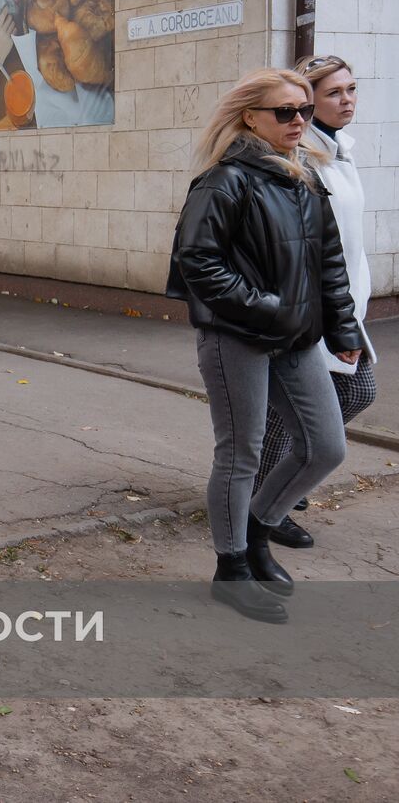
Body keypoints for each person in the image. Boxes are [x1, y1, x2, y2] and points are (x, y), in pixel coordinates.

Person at [167, 68, 361, 625]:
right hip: (237, 339)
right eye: (285, 111)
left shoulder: (304, 177)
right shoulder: (224, 181)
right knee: (241, 452)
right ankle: (231, 570)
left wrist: (343, 330)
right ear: (250, 117)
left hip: (297, 339)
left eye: (303, 109)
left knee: (326, 446)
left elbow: (330, 264)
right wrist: (270, 308)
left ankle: (255, 533)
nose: (299, 119)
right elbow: (196, 263)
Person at [247, 56, 377, 550]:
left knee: (346, 396)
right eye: (334, 93)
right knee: (299, 408)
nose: (347, 101)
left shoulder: (342, 150)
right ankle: (266, 501)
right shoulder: (301, 157)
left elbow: (346, 242)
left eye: (352, 89)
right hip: (308, 308)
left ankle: (284, 478)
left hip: (345, 303)